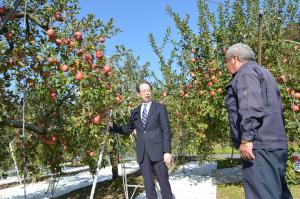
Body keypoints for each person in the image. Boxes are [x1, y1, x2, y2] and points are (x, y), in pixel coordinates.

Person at [224, 43, 293, 199]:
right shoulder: (264, 72)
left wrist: (247, 138)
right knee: (278, 193)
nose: (226, 66)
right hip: (275, 145)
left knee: (262, 194)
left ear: (234, 58)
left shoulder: (246, 73)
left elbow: (250, 106)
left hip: (259, 146)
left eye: (226, 61)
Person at [110, 80, 173, 199]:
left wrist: (167, 151)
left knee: (164, 185)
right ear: (138, 94)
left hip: (158, 153)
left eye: (148, 90)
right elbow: (127, 129)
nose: (147, 93)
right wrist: (112, 127)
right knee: (149, 186)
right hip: (143, 155)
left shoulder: (160, 108)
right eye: (143, 91)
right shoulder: (135, 112)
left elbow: (166, 131)